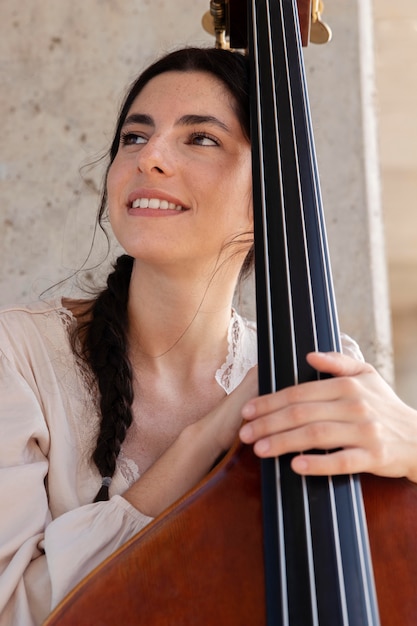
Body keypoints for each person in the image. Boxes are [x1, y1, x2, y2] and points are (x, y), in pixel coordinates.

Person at [1, 46, 416, 626]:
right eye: (134, 137)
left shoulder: (313, 366)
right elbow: (16, 606)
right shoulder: (17, 356)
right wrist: (207, 439)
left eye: (200, 139)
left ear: (270, 200)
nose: (150, 158)